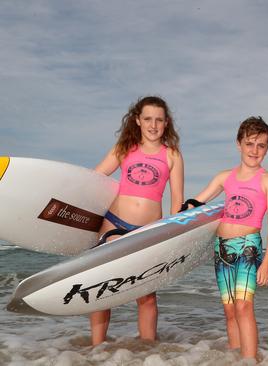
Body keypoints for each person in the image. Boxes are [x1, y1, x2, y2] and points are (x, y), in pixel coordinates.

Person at [183, 117, 268, 361]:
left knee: (243, 307)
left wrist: (267, 262)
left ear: (267, 148)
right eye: (249, 144)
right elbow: (197, 203)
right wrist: (177, 216)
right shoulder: (225, 177)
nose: (254, 150)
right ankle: (236, 357)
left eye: (261, 146)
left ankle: (250, 359)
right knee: (229, 310)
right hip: (221, 247)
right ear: (239, 144)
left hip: (249, 246)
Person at [91, 96, 184, 345]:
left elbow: (177, 201)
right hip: (113, 223)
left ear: (166, 123)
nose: (153, 125)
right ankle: (96, 350)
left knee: (146, 296)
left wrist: (172, 237)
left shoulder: (172, 155)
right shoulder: (124, 147)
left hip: (147, 231)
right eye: (147, 119)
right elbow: (96, 177)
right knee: (102, 291)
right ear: (137, 120)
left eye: (159, 120)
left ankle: (147, 351)